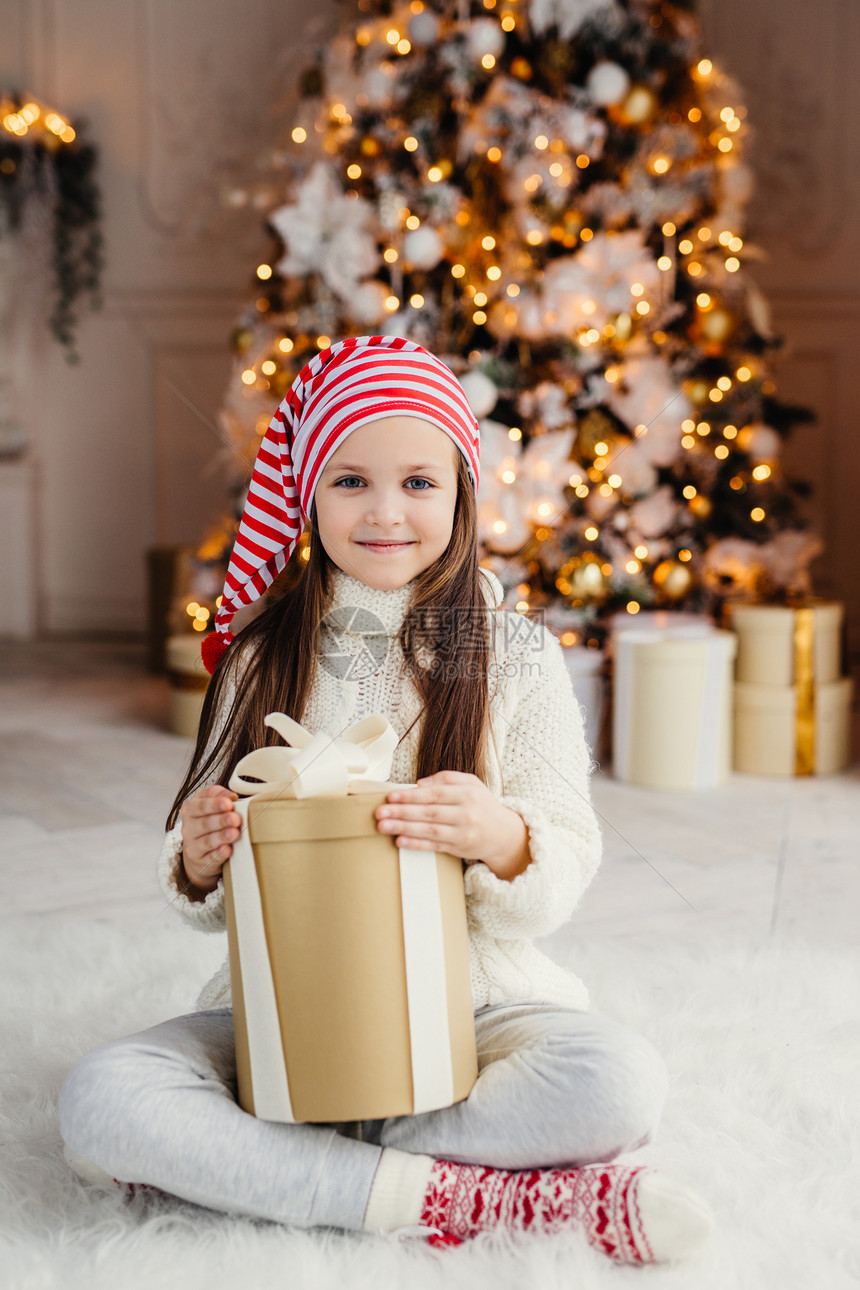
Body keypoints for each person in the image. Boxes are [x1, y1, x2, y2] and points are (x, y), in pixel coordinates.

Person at [59, 335, 712, 1263]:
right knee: (101, 1096)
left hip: (476, 1011)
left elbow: (564, 854)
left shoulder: (517, 655)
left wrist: (500, 836)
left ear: (460, 495)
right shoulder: (260, 657)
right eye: (350, 481)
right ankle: (476, 1198)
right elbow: (196, 867)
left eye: (418, 483)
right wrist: (199, 856)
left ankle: (280, 1166)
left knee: (619, 1084)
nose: (385, 513)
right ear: (308, 496)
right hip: (290, 1008)